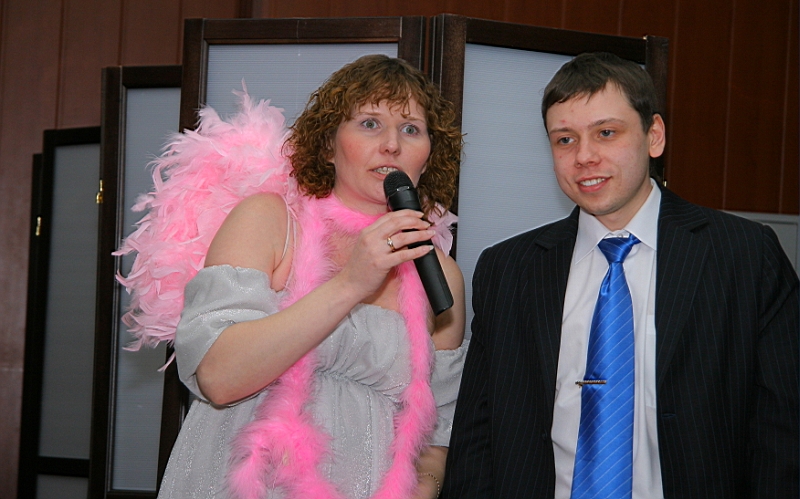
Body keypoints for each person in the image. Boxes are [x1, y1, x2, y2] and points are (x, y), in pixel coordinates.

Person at [442, 52, 799, 498]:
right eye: (565, 140)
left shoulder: (744, 254)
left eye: (606, 133)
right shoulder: (509, 269)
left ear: (654, 136)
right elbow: (476, 438)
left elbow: (785, 432)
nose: (584, 157)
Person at [156, 55, 467, 499]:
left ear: (429, 155)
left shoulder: (442, 275)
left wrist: (423, 489)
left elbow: (437, 435)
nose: (392, 145)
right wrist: (351, 284)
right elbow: (218, 379)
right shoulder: (268, 222)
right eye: (370, 124)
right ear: (327, 146)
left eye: (411, 129)